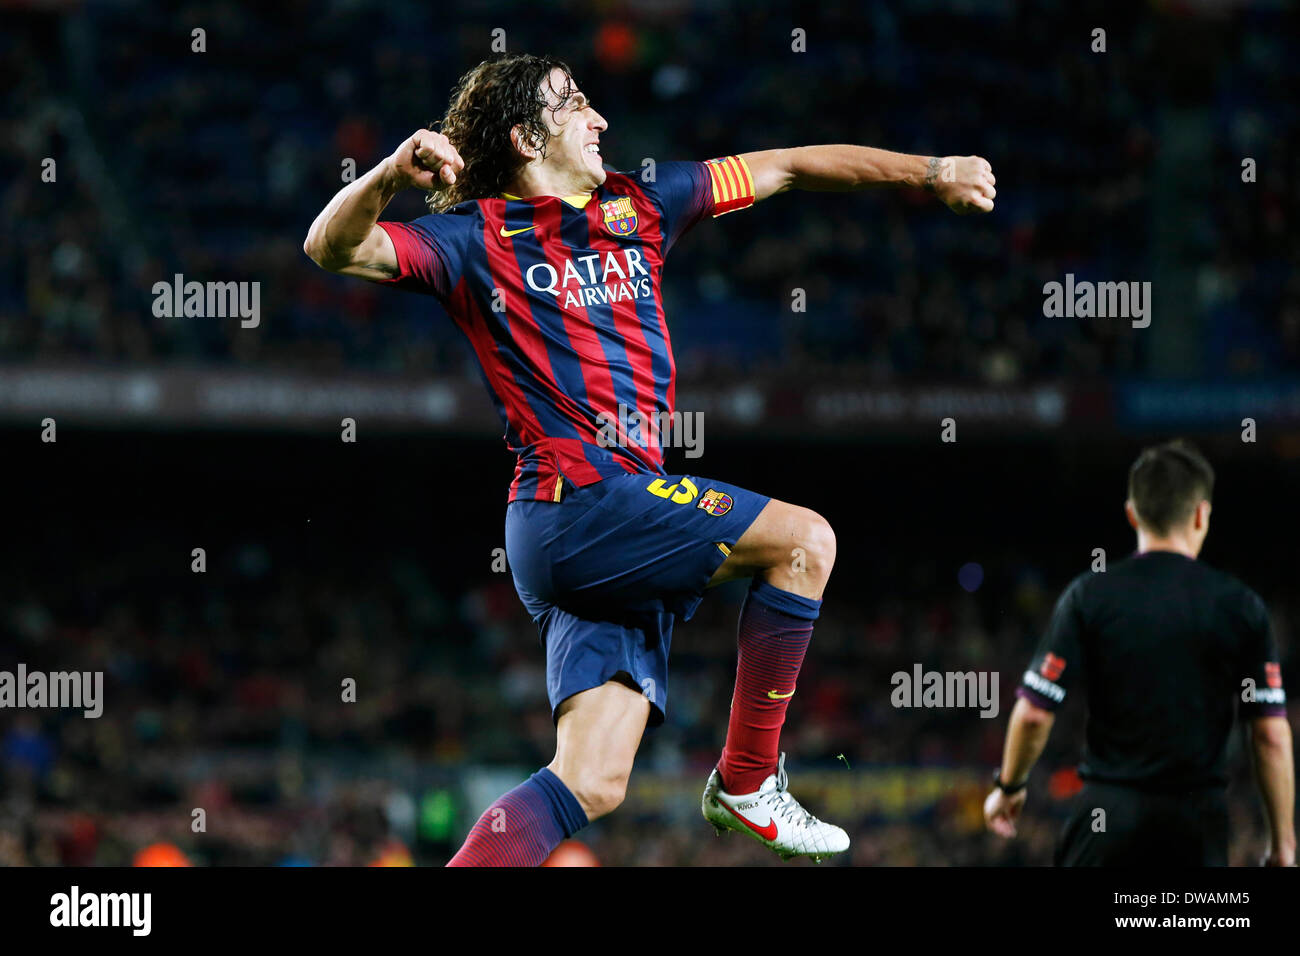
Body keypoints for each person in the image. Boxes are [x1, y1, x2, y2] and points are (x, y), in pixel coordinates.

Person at [306, 53, 996, 865]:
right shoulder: (472, 239)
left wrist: (931, 170)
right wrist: (391, 171)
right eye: (576, 106)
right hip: (578, 503)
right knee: (807, 541)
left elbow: (786, 167)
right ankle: (747, 782)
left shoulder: (645, 202)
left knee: (593, 779)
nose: (600, 121)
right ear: (528, 137)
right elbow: (330, 247)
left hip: (605, 521)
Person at [984, 440, 1294, 866]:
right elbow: (1270, 735)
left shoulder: (1088, 595)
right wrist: (1283, 844)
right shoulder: (1241, 606)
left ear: (1132, 513)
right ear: (1202, 514)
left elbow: (1035, 713)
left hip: (1106, 814)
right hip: (1197, 822)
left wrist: (1009, 787)